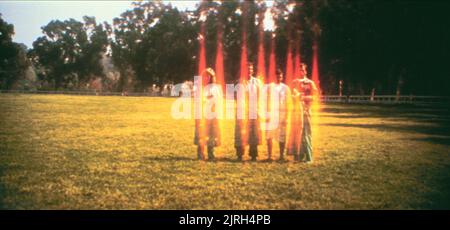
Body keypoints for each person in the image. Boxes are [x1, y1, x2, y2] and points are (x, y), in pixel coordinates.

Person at [234, 62, 262, 161]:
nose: (249, 71)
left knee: (254, 133)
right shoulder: (239, 82)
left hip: (254, 110)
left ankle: (253, 155)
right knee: (240, 132)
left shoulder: (257, 82)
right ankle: (240, 155)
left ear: (252, 70)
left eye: (251, 69)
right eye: (247, 69)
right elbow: (235, 96)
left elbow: (261, 96)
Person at [290, 63, 317, 163]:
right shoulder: (294, 83)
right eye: (299, 70)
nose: (300, 71)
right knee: (298, 134)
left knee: (306, 133)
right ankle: (300, 156)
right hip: (296, 112)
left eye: (302, 70)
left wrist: (303, 97)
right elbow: (290, 96)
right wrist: (295, 97)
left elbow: (315, 97)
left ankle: (309, 157)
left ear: (305, 71)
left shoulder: (310, 83)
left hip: (306, 111)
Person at [194, 68, 222, 161]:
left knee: (212, 135)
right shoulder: (200, 87)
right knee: (202, 134)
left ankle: (211, 154)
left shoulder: (216, 87)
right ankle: (200, 154)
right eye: (205, 76)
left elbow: (219, 100)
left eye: (209, 76)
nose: (207, 77)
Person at [265, 69, 290, 161]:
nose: (279, 78)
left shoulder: (286, 88)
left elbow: (288, 103)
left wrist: (286, 117)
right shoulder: (269, 87)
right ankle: (269, 156)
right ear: (274, 76)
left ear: (282, 77)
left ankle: (281, 156)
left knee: (282, 136)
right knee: (269, 136)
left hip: (282, 114)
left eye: (280, 76)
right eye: (277, 76)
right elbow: (266, 101)